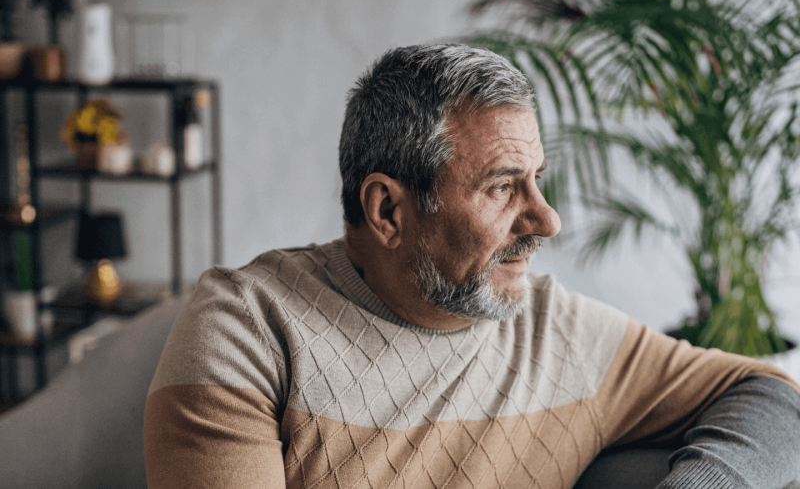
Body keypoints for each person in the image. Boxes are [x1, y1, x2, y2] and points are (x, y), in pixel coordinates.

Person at [144, 44, 800, 489]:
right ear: (388, 210)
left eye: (538, 180)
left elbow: (769, 395)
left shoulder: (559, 331)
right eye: (501, 186)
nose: (547, 221)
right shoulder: (248, 329)